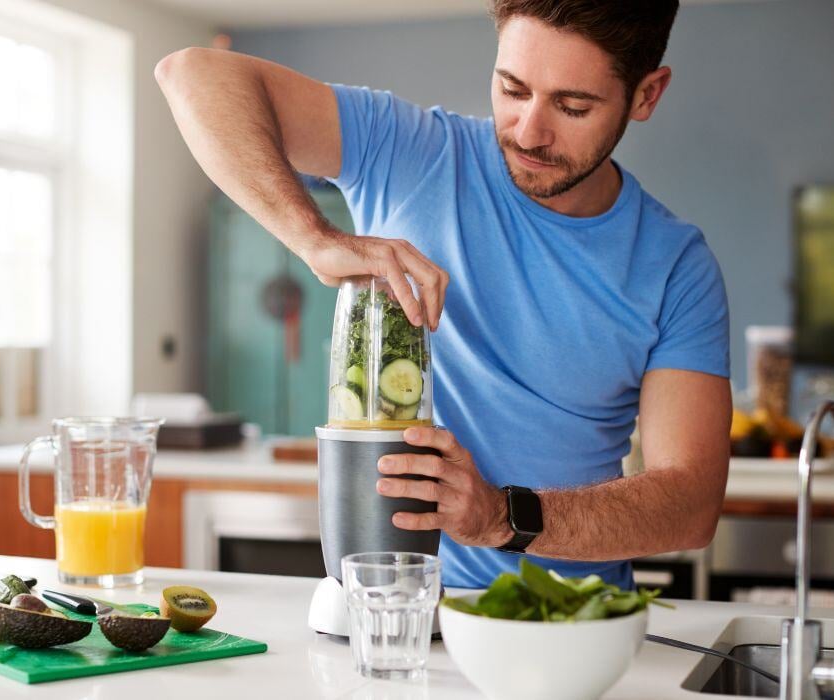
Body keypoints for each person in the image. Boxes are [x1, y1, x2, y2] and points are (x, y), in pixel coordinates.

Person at [155, 0, 731, 589]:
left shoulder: (675, 266)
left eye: (572, 105)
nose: (529, 131)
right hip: (392, 618)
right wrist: (315, 239)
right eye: (512, 89)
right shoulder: (410, 150)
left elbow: (689, 504)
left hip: (574, 630)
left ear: (646, 95)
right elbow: (192, 73)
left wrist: (500, 517)